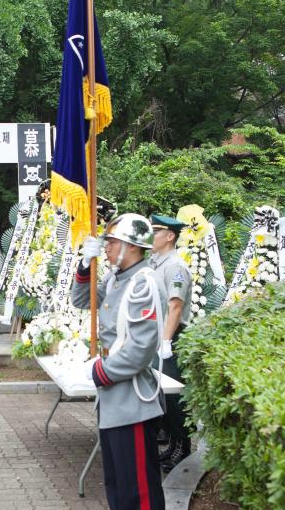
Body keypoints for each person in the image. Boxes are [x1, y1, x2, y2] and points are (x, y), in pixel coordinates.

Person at [72, 213, 166, 510]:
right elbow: (82, 300)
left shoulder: (143, 285)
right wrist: (85, 266)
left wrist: (99, 370)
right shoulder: (116, 279)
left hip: (132, 402)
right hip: (114, 399)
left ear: (133, 247)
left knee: (138, 491)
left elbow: (139, 351)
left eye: (113, 242)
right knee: (116, 485)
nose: (107, 247)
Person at [149, 214, 193, 472]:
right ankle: (173, 445)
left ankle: (183, 448)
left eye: (156, 232)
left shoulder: (175, 266)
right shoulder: (157, 264)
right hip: (159, 336)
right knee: (163, 395)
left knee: (175, 396)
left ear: (170, 236)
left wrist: (166, 341)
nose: (151, 237)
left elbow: (175, 306)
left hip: (171, 336)